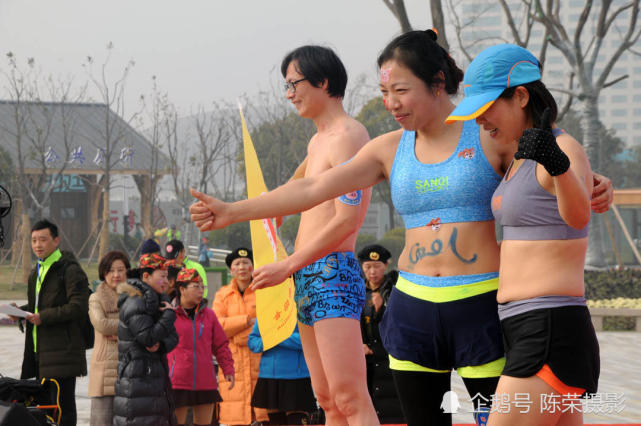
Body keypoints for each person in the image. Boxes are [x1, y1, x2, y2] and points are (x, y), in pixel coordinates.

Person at [189, 32, 613, 426]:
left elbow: (550, 162)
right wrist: (232, 211)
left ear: (437, 83)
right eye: (384, 93)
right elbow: (313, 188)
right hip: (413, 309)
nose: (391, 103)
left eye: (401, 90)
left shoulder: (488, 132)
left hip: (481, 308)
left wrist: (593, 181)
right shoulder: (388, 148)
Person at [192, 45, 378, 425]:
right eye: (286, 86)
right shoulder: (319, 140)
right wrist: (240, 211)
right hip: (307, 274)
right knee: (327, 399)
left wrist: (288, 264)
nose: (289, 94)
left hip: (331, 273)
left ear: (322, 81)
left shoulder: (348, 136)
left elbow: (347, 220)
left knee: (349, 397)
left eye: (294, 84)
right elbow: (295, 191)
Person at [446, 43, 600, 425]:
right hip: (526, 326)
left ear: (520, 96)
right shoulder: (520, 156)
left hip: (547, 326)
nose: (480, 121)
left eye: (486, 108)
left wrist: (558, 164)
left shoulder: (562, 148)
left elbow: (578, 216)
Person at [10, 219, 90, 426]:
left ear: (56, 241)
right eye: (34, 240)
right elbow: (39, 307)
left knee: (63, 411)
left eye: (43, 239)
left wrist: (43, 317)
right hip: (39, 354)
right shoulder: (36, 271)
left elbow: (79, 306)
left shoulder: (70, 270)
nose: (38, 245)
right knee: (44, 413)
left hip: (63, 353)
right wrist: (20, 312)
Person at [113, 253, 178, 426]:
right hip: (136, 379)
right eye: (162, 276)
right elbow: (147, 338)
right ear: (146, 276)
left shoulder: (159, 301)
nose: (166, 281)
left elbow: (174, 337)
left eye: (167, 277)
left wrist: (161, 345)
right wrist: (169, 315)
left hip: (155, 377)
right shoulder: (135, 301)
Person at [168, 268, 235, 426]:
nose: (201, 291)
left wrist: (228, 368)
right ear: (182, 289)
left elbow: (220, 345)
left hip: (205, 380)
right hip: (177, 381)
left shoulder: (209, 315)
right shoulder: (169, 314)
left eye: (202, 287)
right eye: (195, 286)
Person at [213, 248, 268, 425]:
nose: (242, 267)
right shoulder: (222, 295)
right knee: (234, 417)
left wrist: (236, 333)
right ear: (231, 270)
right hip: (233, 362)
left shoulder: (264, 291)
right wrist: (247, 321)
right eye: (237, 264)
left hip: (260, 358)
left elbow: (269, 324)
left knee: (263, 415)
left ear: (253, 267)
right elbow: (217, 328)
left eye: (246, 263)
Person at [357, 244, 403, 424]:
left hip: (389, 356)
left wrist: (384, 306)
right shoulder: (357, 290)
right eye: (367, 266)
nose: (372, 272)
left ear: (386, 265)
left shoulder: (395, 289)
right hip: (365, 359)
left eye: (377, 266)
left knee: (394, 406)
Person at [88, 250, 130, 426]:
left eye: (120, 270)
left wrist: (123, 331)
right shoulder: (96, 298)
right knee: (102, 421)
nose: (116, 275)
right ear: (103, 273)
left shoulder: (134, 298)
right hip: (105, 370)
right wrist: (130, 326)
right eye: (111, 270)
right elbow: (102, 324)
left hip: (130, 369)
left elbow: (143, 325)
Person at [248, 323, 317, 425]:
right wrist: (271, 339)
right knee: (275, 421)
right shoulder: (265, 315)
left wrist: (278, 337)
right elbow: (253, 343)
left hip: (297, 377)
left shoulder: (301, 313)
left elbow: (308, 339)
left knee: (296, 420)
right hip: (269, 376)